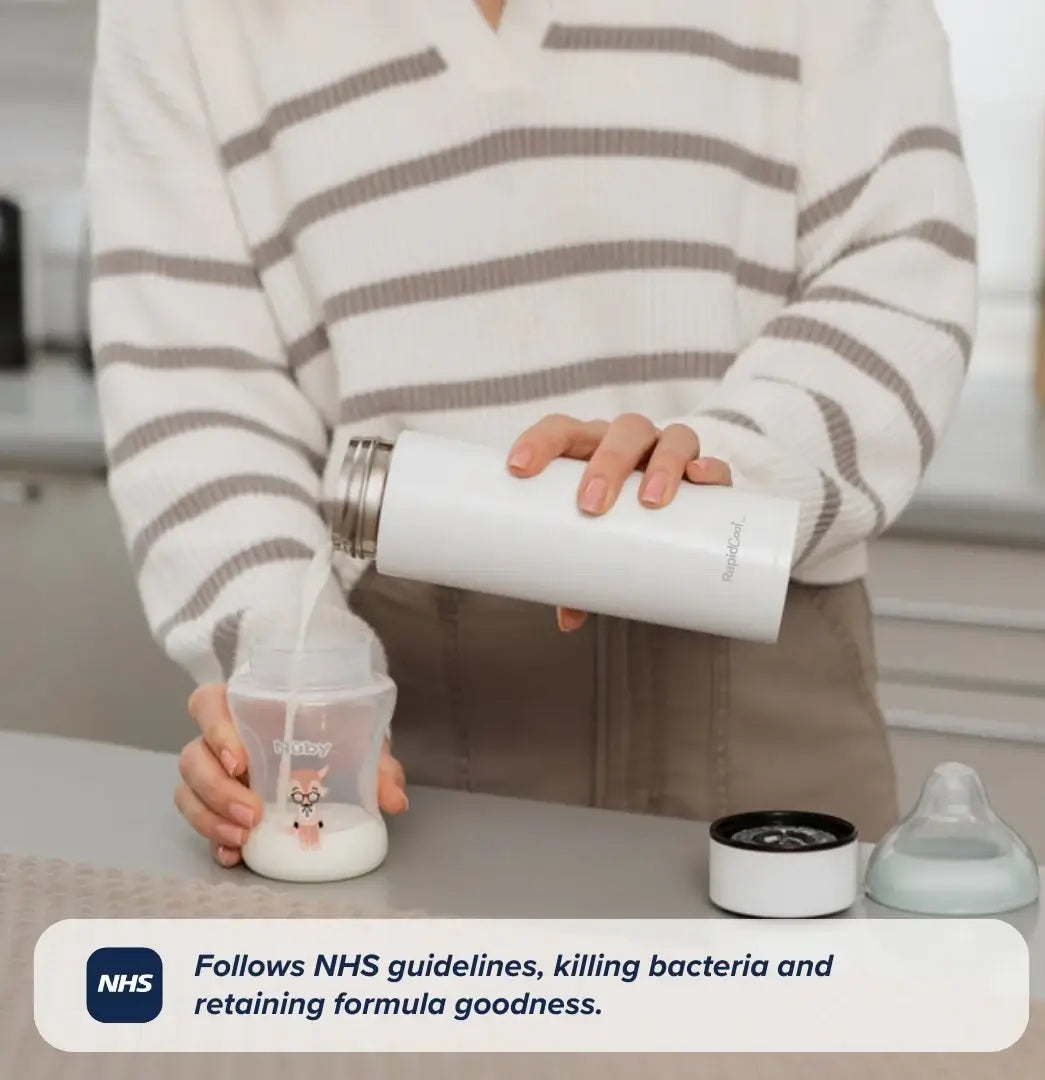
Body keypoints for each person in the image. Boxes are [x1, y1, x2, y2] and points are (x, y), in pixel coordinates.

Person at [87, 0, 977, 868]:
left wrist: (722, 475)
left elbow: (899, 264)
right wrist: (292, 679)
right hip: (405, 728)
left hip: (764, 674)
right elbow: (193, 392)